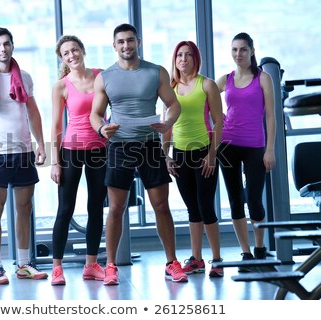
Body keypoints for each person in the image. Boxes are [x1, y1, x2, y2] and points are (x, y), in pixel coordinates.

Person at [90, 23, 187, 285]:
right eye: (120, 41)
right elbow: (95, 113)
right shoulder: (105, 77)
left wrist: (168, 124)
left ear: (138, 42)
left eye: (130, 40)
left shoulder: (156, 72)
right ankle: (110, 266)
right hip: (119, 145)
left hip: (148, 144)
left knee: (161, 206)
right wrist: (102, 128)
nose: (126, 45)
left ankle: (171, 262)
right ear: (114, 45)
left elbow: (173, 104)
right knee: (116, 209)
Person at [0, 27, 48, 284]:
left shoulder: (23, 77)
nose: (3, 49)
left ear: (12, 45)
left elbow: (33, 113)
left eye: (6, 44)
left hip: (24, 151)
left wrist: (40, 144)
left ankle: (24, 264)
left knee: (25, 208)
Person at [162, 40, 224, 277]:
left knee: (206, 206)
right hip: (179, 154)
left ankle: (216, 260)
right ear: (175, 60)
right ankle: (196, 259)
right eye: (179, 55)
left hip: (203, 153)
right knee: (192, 209)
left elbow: (218, 122)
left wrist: (212, 154)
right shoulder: (170, 88)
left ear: (195, 58)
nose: (183, 59)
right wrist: (165, 155)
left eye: (188, 55)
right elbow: (167, 125)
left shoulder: (206, 85)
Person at [50, 35, 107, 286]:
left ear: (83, 51)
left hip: (99, 148)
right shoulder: (61, 85)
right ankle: (57, 267)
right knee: (65, 209)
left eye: (75, 50)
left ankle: (91, 265)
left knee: (95, 207)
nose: (72, 55)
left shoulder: (101, 76)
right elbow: (55, 125)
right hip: (71, 149)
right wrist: (54, 161)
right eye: (66, 53)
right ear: (62, 58)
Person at [216, 32, 276, 269]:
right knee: (235, 201)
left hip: (255, 147)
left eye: (242, 49)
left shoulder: (263, 78)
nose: (238, 54)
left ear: (252, 50)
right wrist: (217, 120)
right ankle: (246, 252)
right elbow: (203, 98)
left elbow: (270, 116)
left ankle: (260, 246)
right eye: (234, 50)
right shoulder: (226, 78)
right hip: (228, 145)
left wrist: (270, 150)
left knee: (253, 199)